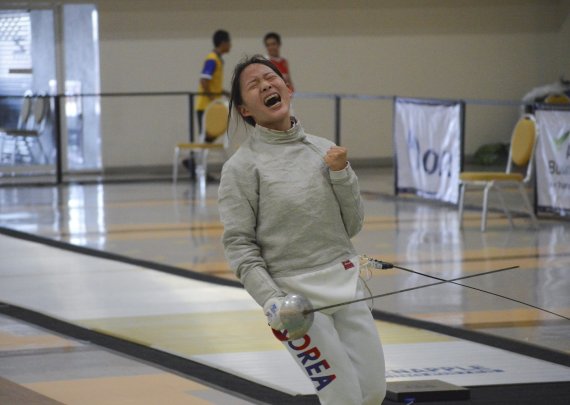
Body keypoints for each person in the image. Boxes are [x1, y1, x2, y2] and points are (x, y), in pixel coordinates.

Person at [218, 55, 386, 405]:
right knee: (344, 398)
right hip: (295, 304)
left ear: (288, 88)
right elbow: (239, 246)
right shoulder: (242, 167)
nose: (265, 85)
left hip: (346, 284)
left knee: (371, 393)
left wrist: (341, 174)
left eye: (270, 77)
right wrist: (272, 300)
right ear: (245, 109)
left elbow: (352, 225)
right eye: (254, 85)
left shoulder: (324, 150)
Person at [184, 30, 231, 176]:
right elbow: (204, 80)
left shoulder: (217, 59)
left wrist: (222, 92)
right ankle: (196, 165)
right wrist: (212, 99)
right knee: (206, 137)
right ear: (223, 43)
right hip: (206, 106)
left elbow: (211, 83)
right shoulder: (212, 59)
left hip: (209, 104)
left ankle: (195, 162)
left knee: (209, 136)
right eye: (229, 42)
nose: (230, 45)